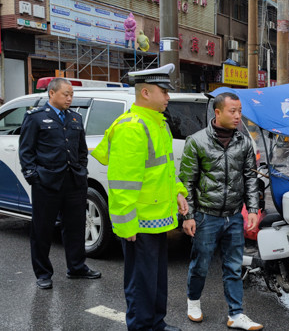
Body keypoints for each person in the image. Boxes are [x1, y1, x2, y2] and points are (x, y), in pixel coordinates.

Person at [91, 64, 188, 331]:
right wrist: (125, 224)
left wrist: (178, 192)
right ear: (145, 92)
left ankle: (156, 322)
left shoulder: (157, 124)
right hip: (140, 221)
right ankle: (141, 326)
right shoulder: (132, 127)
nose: (168, 97)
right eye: (164, 91)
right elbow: (122, 184)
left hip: (157, 217)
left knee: (155, 278)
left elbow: (165, 170)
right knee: (140, 281)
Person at [179, 92, 263, 331]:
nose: (238, 116)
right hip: (206, 215)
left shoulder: (244, 142)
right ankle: (193, 302)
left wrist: (253, 210)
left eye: (239, 111)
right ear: (217, 113)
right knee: (201, 264)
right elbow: (187, 182)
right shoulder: (196, 141)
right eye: (232, 111)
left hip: (234, 215)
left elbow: (249, 178)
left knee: (234, 266)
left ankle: (236, 314)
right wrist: (188, 216)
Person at [19, 78, 101, 290]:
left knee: (75, 227)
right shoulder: (35, 118)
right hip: (46, 184)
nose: (69, 98)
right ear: (52, 94)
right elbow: (26, 151)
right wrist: (33, 177)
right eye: (66, 94)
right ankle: (43, 273)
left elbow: (81, 151)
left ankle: (76, 267)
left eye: (71, 94)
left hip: (74, 182)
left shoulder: (75, 118)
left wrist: (82, 171)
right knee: (42, 230)